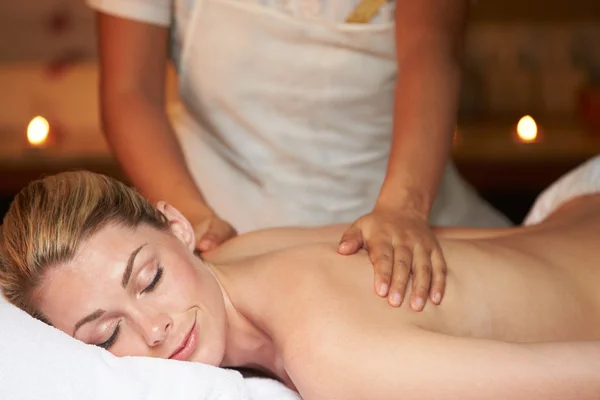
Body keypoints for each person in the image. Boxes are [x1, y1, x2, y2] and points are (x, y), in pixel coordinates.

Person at [1, 160, 599, 399]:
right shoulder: (247, 253)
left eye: (150, 278)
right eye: (106, 336)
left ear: (178, 226)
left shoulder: (330, 356)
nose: (152, 330)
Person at [88, 0, 511, 308]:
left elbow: (430, 51)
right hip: (220, 222)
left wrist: (404, 207)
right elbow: (130, 93)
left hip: (409, 209)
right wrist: (194, 218)